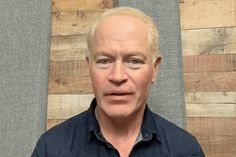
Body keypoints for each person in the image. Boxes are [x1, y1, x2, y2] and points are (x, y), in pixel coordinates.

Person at [31, 7, 205, 157]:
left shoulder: (185, 150)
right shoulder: (50, 149)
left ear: (155, 69)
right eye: (104, 61)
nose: (117, 76)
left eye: (134, 61)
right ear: (89, 67)